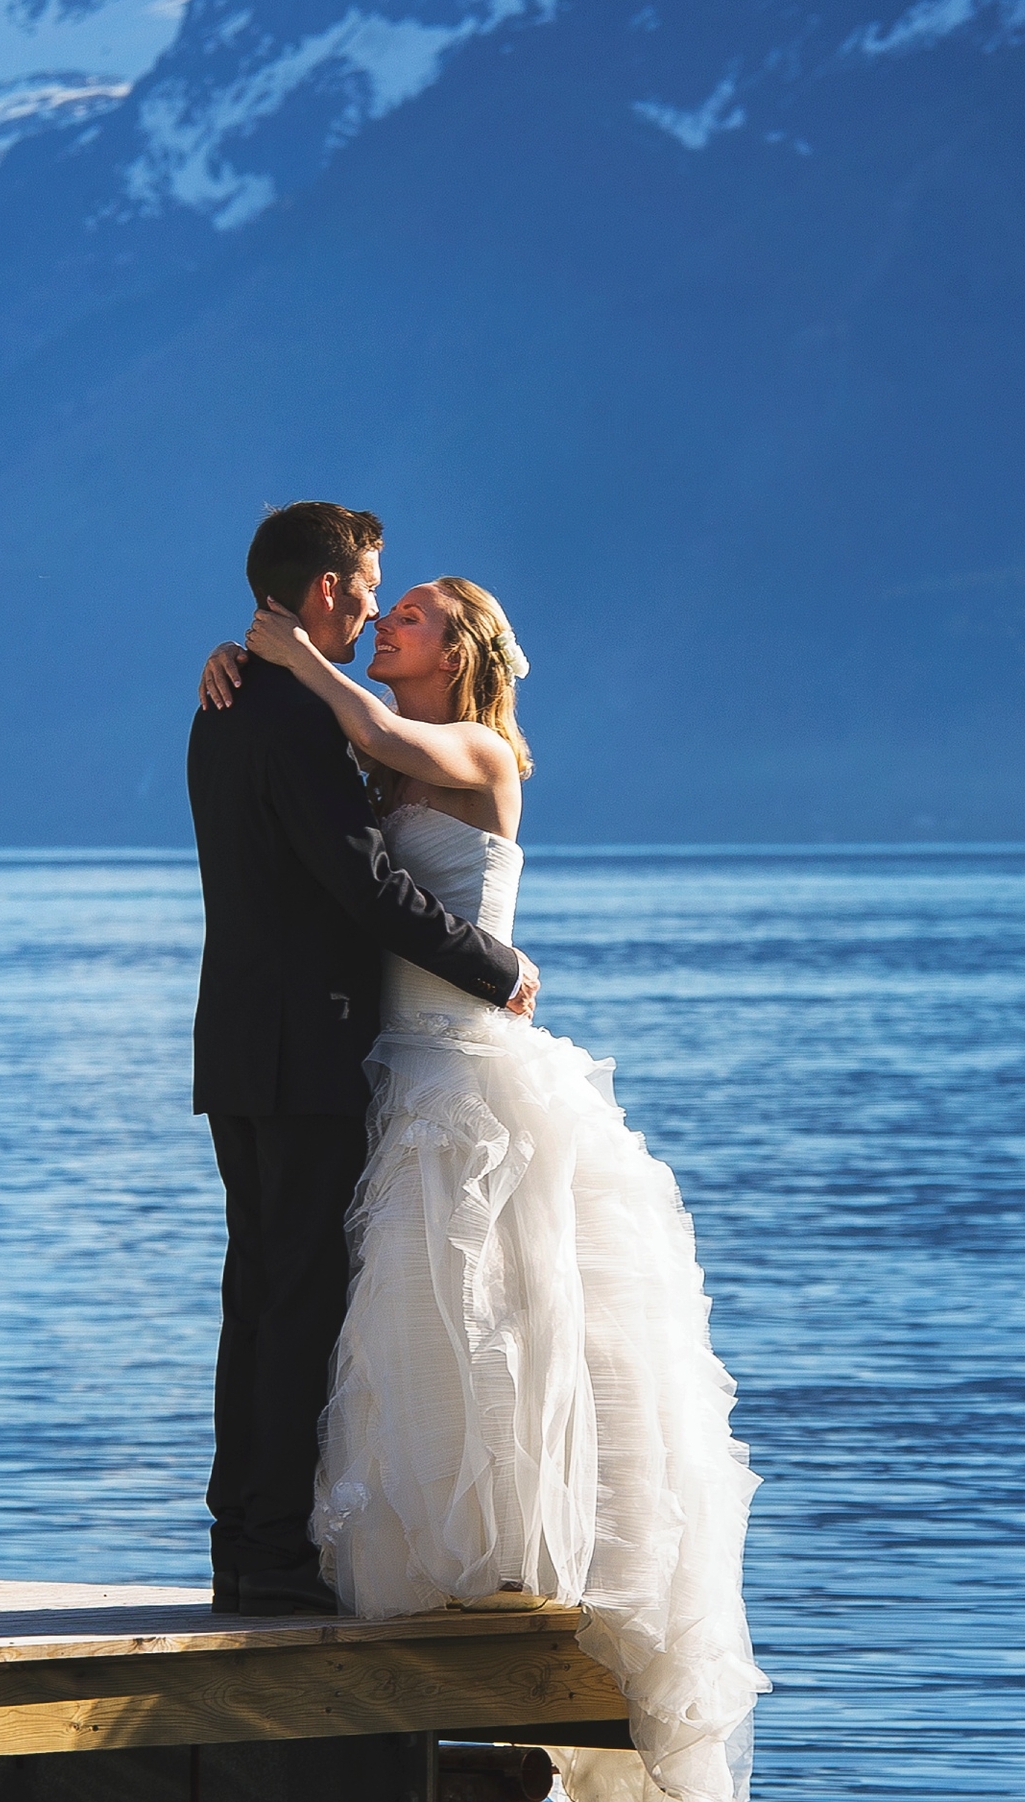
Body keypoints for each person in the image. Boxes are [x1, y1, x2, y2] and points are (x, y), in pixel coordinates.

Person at [198, 575, 764, 1802]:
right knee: (400, 1323)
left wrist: (289, 650)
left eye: (410, 617)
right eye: (381, 613)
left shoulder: (471, 748)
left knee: (486, 1308)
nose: (387, 625)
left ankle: (503, 1566)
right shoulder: (378, 766)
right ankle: (418, 1563)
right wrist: (239, 675)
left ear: (459, 654)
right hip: (387, 1067)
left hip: (465, 1071)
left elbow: (375, 733)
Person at [185, 501, 534, 1618]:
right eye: (374, 591)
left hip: (247, 1045)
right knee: (293, 1305)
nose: (380, 611)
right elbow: (364, 885)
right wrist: (497, 967)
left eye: (409, 610)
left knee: (261, 1297)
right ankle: (274, 1553)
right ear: (326, 589)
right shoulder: (288, 711)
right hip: (310, 1047)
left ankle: (245, 1539)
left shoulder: (231, 704)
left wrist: (261, 651)